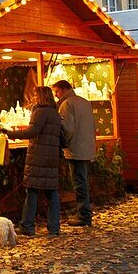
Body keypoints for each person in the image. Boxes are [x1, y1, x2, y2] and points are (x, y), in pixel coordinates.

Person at [2, 86, 63, 236]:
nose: (33, 98)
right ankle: (54, 227)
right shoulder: (54, 112)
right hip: (52, 157)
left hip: (38, 156)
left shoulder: (40, 112)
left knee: (32, 190)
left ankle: (27, 225)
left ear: (41, 96)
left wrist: (10, 133)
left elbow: (32, 131)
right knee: (52, 193)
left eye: (35, 95)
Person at [52, 79, 95, 227]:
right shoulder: (84, 102)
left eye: (57, 92)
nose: (56, 95)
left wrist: (60, 142)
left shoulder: (66, 104)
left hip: (75, 148)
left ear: (64, 90)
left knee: (79, 182)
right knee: (82, 181)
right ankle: (85, 213)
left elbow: (67, 129)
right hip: (87, 146)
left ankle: (83, 215)